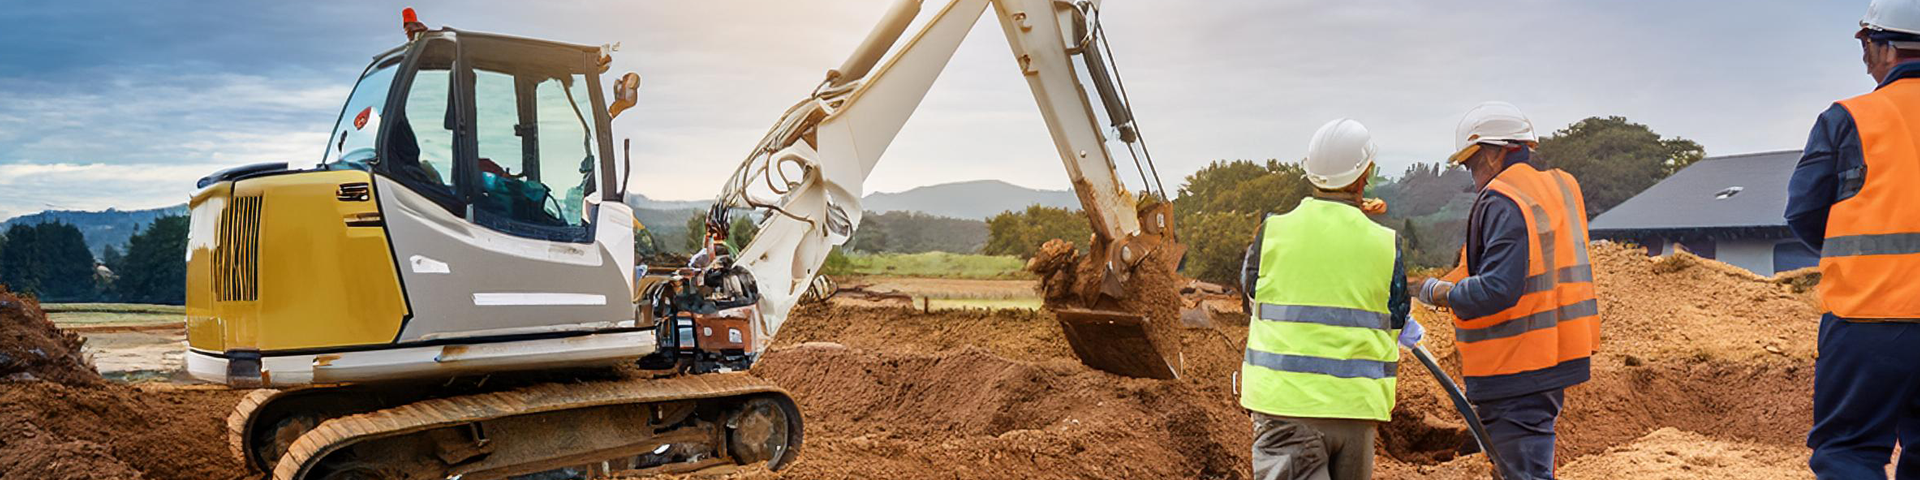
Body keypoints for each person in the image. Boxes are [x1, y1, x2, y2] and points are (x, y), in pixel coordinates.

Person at [1408, 102, 1599, 480]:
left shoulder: (1504, 199)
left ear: (1495, 153)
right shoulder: (1557, 188)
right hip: (1551, 358)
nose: (1472, 176)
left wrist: (1435, 292)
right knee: (1521, 465)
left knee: (1522, 472)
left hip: (1515, 366)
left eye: (1473, 163)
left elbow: (1498, 288)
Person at [1237, 119, 1420, 480]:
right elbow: (1397, 315)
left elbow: (1249, 297)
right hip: (1357, 409)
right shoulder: (1385, 244)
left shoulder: (1273, 232)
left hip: (1286, 407)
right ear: (1365, 173)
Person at [1788, 2, 1920, 477]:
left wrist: (1858, 257)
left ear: (1884, 47)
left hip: (1869, 316)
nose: (1865, 57)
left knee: (1849, 452)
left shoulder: (1850, 117)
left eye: (1865, 44)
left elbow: (1803, 211)